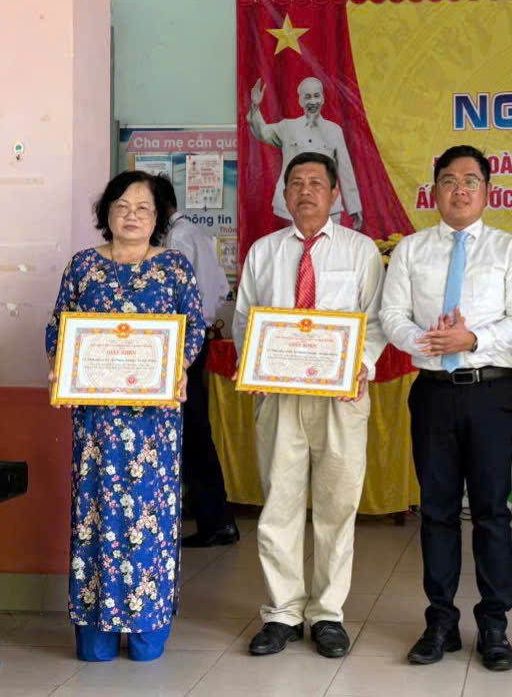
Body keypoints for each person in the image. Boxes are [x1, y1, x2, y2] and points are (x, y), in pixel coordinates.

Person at [380, 145, 512, 671]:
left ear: (488, 191)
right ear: (434, 191)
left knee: (492, 512)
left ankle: (494, 624)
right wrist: (428, 341)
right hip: (432, 392)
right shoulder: (411, 250)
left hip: (490, 392)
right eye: (449, 180)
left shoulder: (511, 251)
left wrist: (471, 339)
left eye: (471, 180)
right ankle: (440, 621)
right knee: (437, 511)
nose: (460, 190)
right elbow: (391, 315)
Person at [45, 171, 206, 662]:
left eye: (143, 208)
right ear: (106, 213)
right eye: (121, 206)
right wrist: (60, 369)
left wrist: (179, 366)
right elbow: (59, 328)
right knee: (95, 516)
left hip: (153, 425)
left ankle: (145, 634)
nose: (131, 216)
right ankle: (94, 634)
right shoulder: (83, 267)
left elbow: (194, 328)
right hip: (96, 422)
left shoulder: (174, 268)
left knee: (149, 521)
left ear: (157, 218)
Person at [233, 151, 386, 658]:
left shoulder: (361, 250)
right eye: (296, 182)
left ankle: (327, 614)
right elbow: (244, 318)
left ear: (335, 193)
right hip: (279, 395)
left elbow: (376, 318)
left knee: (337, 505)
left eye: (316, 183)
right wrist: (253, 364)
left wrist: (361, 363)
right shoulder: (265, 251)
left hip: (341, 396)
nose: (305, 191)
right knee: (279, 503)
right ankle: (281, 613)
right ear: (284, 193)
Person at [157, 176, 238, 548]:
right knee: (194, 433)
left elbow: (173, 298)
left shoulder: (177, 240)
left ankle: (215, 520)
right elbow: (220, 290)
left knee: (191, 434)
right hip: (199, 337)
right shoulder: (198, 234)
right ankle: (216, 519)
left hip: (180, 342)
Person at [247, 76, 362, 229]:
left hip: (328, 207)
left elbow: (345, 170)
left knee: (329, 244)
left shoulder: (334, 131)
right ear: (300, 101)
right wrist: (255, 107)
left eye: (316, 96)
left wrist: (354, 208)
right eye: (307, 97)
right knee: (294, 244)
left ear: (323, 99)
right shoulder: (288, 127)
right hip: (293, 207)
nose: (313, 102)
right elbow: (262, 132)